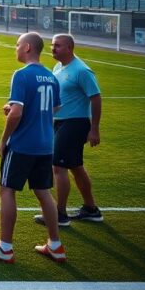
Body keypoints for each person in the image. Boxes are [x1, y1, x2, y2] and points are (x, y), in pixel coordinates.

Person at [0, 33, 65, 263]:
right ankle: (55, 245)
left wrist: (4, 139)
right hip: (46, 145)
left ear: (27, 47)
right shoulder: (51, 76)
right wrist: (24, 110)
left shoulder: (22, 74)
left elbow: (16, 113)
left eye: (17, 45)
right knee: (43, 192)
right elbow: (54, 108)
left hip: (23, 144)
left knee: (7, 190)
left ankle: (5, 248)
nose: (15, 48)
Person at [35, 34, 103, 226]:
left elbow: (96, 98)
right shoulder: (58, 67)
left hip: (75, 123)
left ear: (70, 48)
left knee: (58, 166)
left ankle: (60, 214)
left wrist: (94, 128)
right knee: (75, 166)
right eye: (52, 45)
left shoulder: (81, 70)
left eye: (57, 45)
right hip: (59, 122)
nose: (53, 48)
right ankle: (91, 209)